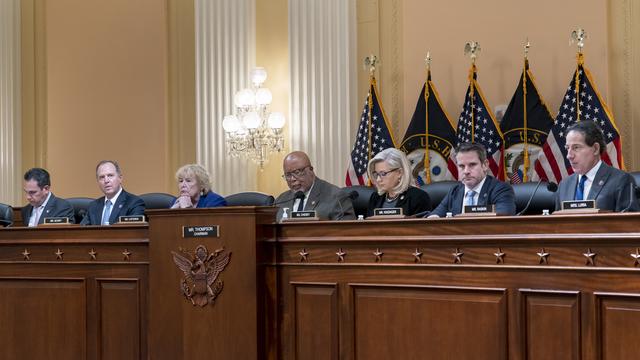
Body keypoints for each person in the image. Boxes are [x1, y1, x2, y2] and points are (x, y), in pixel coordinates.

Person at [555, 121, 638, 212]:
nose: (569, 156)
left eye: (576, 147)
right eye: (567, 148)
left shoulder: (621, 181)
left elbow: (629, 224)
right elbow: (558, 224)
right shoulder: (564, 185)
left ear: (595, 149)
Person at [429, 142, 515, 217]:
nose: (466, 171)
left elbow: (503, 219)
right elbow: (434, 216)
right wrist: (433, 217)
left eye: (472, 165)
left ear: (485, 165)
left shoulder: (501, 190)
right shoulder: (455, 192)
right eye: (461, 166)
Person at [275, 151, 355, 221]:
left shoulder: (336, 197)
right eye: (288, 175)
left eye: (297, 172)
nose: (292, 179)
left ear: (311, 170)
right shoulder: (280, 201)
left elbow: (346, 232)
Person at [366, 148, 431, 217]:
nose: (378, 179)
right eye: (377, 174)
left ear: (400, 173)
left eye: (383, 173)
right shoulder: (375, 198)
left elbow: (422, 227)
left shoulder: (418, 197)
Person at [80, 160, 145, 225]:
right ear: (98, 182)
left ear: (120, 178)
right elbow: (81, 232)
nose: (106, 180)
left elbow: (134, 232)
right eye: (102, 177)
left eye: (110, 175)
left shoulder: (134, 203)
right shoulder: (93, 206)